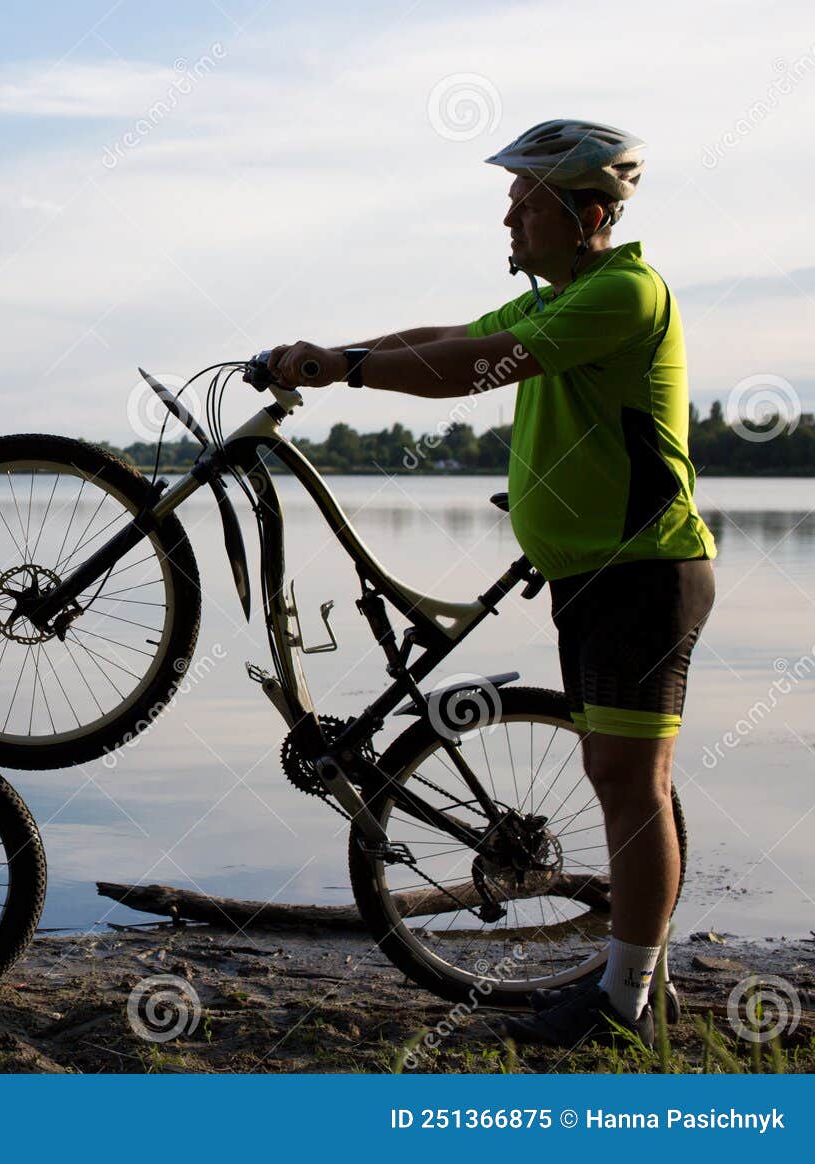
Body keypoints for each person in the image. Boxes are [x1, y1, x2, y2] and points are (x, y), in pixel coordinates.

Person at [264, 120, 716, 1048]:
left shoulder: (624, 291)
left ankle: (625, 1006)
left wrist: (347, 370)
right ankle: (642, 985)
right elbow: (452, 334)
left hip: (645, 575)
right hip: (591, 575)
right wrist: (335, 352)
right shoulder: (569, 294)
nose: (508, 220)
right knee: (623, 779)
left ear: (587, 213)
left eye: (525, 204)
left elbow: (473, 369)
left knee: (631, 784)